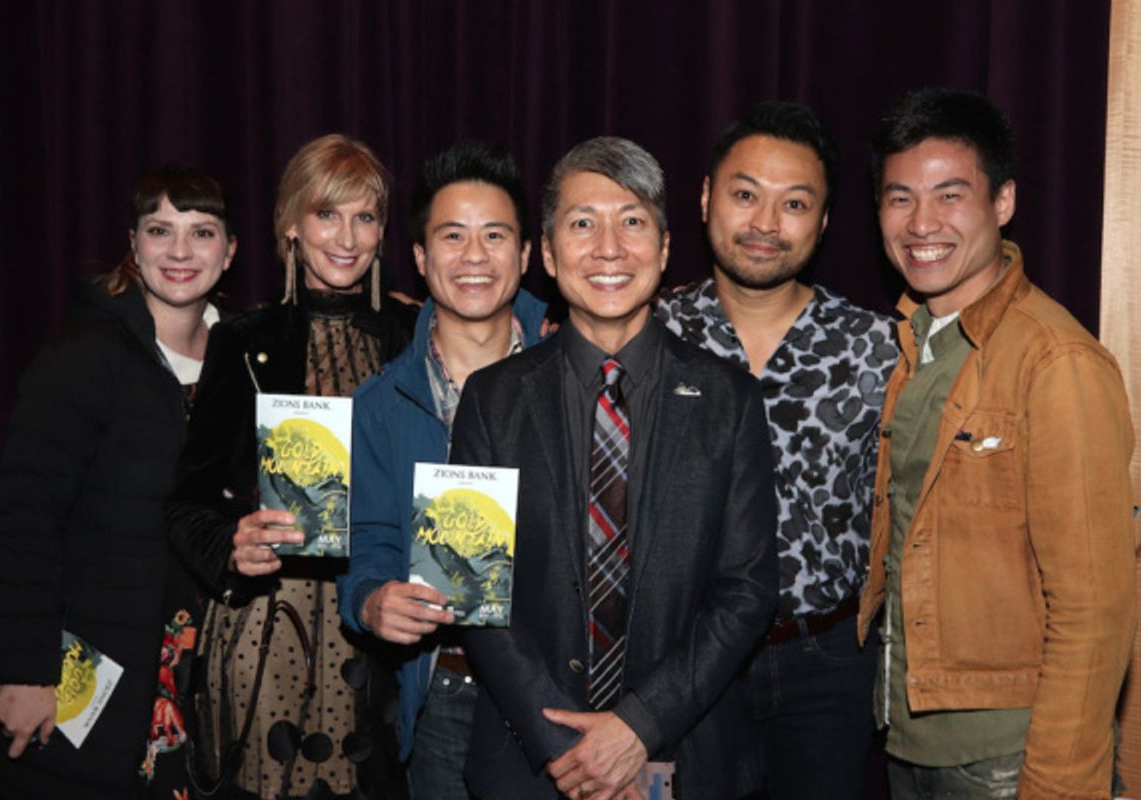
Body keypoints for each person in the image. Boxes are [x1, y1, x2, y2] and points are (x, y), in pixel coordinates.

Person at [451, 136, 779, 799]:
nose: (608, 248)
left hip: (686, 756)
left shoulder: (730, 399)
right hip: (531, 762)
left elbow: (746, 592)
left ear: (662, 249)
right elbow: (468, 586)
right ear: (546, 252)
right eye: (581, 224)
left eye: (631, 222)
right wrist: (570, 748)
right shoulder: (489, 398)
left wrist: (637, 726)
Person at [857, 88, 1135, 799]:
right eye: (899, 198)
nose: (922, 223)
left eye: (950, 195)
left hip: (1010, 758)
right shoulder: (917, 342)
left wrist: (1059, 781)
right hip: (909, 739)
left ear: (1003, 201)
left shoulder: (1054, 360)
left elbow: (1094, 610)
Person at [655, 101, 898, 799]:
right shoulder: (654, 333)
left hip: (825, 665)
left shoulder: (875, 349)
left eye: (794, 204)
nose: (765, 224)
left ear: (822, 223)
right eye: (744, 195)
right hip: (682, 662)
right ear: (705, 199)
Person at [166, 134, 416, 800]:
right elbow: (186, 501)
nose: (347, 235)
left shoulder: (412, 336)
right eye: (327, 214)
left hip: (383, 631)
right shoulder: (243, 341)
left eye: (365, 216)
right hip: (265, 635)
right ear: (291, 228)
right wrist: (232, 544)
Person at [0, 165, 237, 799]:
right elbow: (25, 521)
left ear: (230, 253)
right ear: (134, 243)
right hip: (89, 689)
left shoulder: (244, 361)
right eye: (160, 230)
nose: (179, 251)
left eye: (201, 232)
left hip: (202, 687)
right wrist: (26, 670)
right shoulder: (84, 358)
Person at [338, 141, 549, 798]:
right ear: (423, 261)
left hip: (563, 688)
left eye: (495, 236)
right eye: (453, 237)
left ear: (525, 253)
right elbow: (368, 543)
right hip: (448, 690)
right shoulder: (379, 404)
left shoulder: (578, 367)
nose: (475, 257)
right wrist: (372, 602)